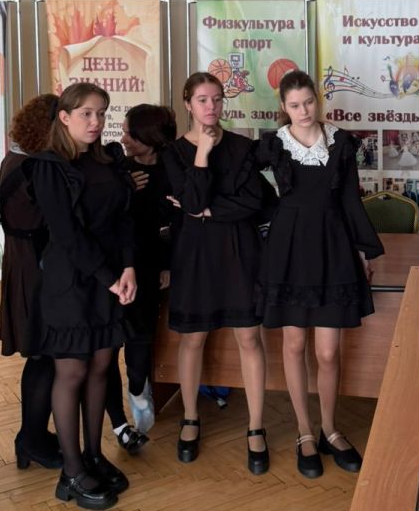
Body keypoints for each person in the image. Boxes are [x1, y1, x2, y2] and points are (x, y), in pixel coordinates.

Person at [257, 70, 384, 478]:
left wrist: (363, 250)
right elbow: (242, 183)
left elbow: (351, 199)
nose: (303, 110)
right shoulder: (273, 144)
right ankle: (304, 432)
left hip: (333, 246)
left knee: (328, 351)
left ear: (317, 99)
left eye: (308, 102)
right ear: (283, 107)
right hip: (289, 249)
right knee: (294, 345)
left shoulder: (341, 142)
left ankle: (330, 429)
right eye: (294, 105)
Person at [161, 73, 273, 474]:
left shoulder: (243, 147)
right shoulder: (173, 152)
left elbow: (255, 201)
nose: (211, 106)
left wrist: (208, 209)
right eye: (202, 99)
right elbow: (190, 202)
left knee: (249, 338)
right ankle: (190, 417)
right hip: (195, 255)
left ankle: (256, 426)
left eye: (217, 99)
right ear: (187, 104)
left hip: (240, 251)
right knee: (192, 339)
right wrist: (203, 153)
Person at [31, 84, 136, 510]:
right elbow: (66, 233)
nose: (96, 122)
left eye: (102, 113)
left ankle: (93, 456)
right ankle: (71, 472)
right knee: (72, 372)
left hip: (110, 277)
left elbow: (125, 217)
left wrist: (128, 267)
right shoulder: (48, 166)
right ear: (64, 117)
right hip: (71, 282)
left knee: (101, 367)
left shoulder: (109, 158)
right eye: (87, 114)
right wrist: (109, 276)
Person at [104, 103, 177, 454]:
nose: (123, 139)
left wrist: (168, 265)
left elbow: (176, 224)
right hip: (115, 266)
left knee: (141, 335)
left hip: (151, 265)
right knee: (112, 341)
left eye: (130, 133)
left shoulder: (172, 169)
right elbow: (105, 217)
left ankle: (138, 388)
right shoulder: (118, 168)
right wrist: (123, 190)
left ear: (150, 137)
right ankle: (119, 417)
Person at [0, 93, 62, 472]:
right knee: (44, 357)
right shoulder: (30, 167)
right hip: (35, 271)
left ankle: (33, 435)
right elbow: (36, 224)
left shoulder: (21, 159)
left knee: (46, 358)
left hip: (30, 266)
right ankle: (31, 439)